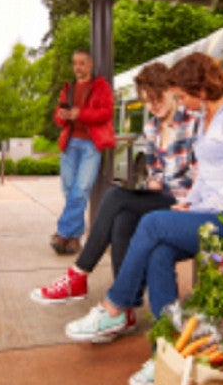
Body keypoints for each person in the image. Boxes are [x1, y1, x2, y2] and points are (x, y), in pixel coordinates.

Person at [63, 52, 223, 385]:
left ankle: (115, 305)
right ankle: (167, 353)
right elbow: (206, 176)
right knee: (158, 249)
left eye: (183, 94)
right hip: (211, 213)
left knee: (152, 224)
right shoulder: (207, 118)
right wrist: (190, 204)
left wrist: (205, 210)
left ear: (199, 89)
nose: (181, 101)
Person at [30, 62, 200, 336]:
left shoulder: (193, 123)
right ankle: (126, 311)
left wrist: (185, 198)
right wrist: (148, 189)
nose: (153, 106)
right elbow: (156, 175)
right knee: (123, 216)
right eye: (147, 101)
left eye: (157, 99)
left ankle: (79, 275)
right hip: (163, 197)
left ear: (171, 90)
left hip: (187, 203)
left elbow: (203, 175)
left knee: (115, 196)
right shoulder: (152, 128)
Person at [51, 49, 116, 255]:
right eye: (75, 63)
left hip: (90, 145)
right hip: (70, 143)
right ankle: (74, 238)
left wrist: (82, 114)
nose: (77, 67)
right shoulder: (68, 89)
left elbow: (106, 113)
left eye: (81, 63)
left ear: (89, 65)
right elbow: (58, 119)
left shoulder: (101, 86)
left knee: (80, 189)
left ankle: (62, 233)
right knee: (69, 189)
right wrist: (63, 115)